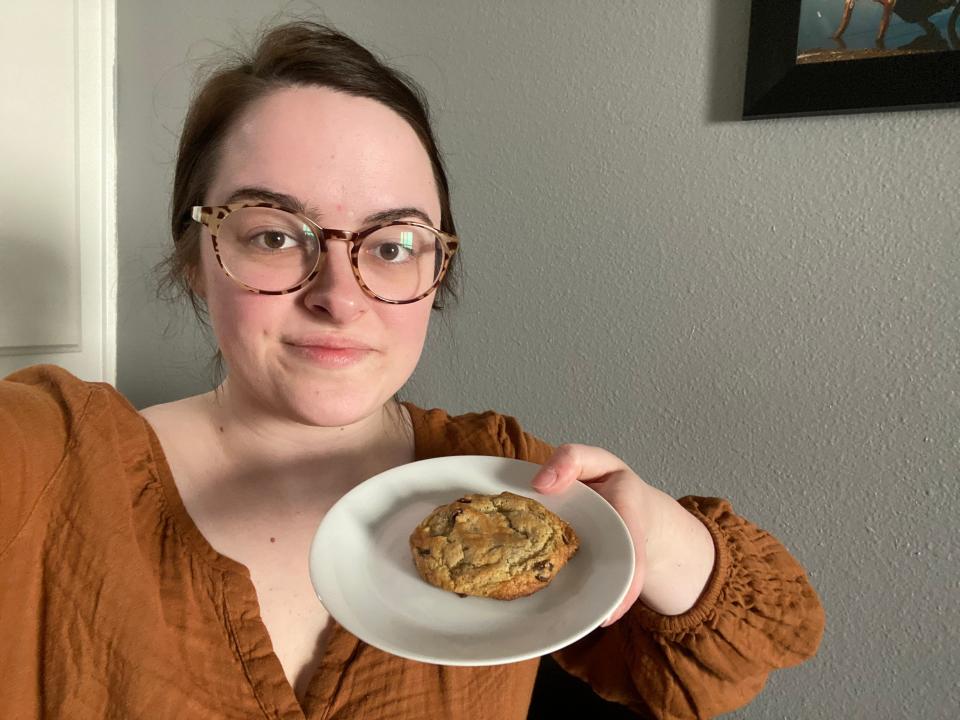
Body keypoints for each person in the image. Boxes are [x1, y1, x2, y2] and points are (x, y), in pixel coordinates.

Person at [0, 21, 824, 720]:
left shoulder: (502, 473)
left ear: (436, 275)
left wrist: (648, 530)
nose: (339, 297)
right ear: (196, 258)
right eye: (275, 234)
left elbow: (764, 640)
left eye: (391, 247)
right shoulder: (51, 458)